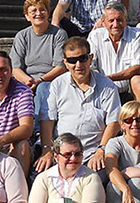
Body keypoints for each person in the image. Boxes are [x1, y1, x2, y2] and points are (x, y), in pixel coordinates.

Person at [36, 37, 121, 175]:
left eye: (82, 58)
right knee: (38, 177)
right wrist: (47, 150)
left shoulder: (108, 87)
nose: (78, 64)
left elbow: (114, 122)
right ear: (65, 62)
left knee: (96, 181)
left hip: (93, 154)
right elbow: (47, 120)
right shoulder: (57, 85)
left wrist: (102, 150)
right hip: (61, 154)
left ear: (91, 58)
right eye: (72, 60)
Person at [11, 0, 68, 136]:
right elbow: (15, 68)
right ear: (27, 16)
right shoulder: (22, 36)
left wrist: (40, 80)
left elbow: (61, 66)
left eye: (42, 10)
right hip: (27, 80)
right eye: (33, 11)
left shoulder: (59, 34)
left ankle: (37, 131)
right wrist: (28, 81)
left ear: (48, 13)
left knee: (43, 88)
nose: (38, 14)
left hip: (51, 79)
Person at [29, 133, 106, 203]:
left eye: (77, 154)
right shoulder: (43, 178)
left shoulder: (91, 177)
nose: (73, 158)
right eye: (68, 154)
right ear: (56, 157)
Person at [88, 1, 140, 102]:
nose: (115, 24)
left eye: (119, 20)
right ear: (103, 22)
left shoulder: (137, 35)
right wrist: (103, 81)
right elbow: (90, 65)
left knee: (138, 79)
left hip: (128, 88)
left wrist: (108, 78)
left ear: (126, 20)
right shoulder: (95, 36)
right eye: (111, 20)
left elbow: (137, 68)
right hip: (102, 87)